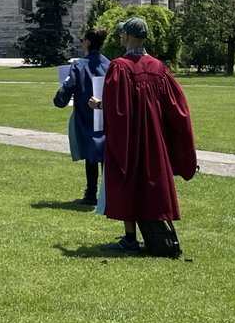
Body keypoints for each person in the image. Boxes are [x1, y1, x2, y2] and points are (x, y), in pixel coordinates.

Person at [89, 18, 197, 252]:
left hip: (130, 137)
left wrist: (98, 105)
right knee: (152, 182)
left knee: (126, 179)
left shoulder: (120, 66)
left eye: (121, 35)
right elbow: (177, 108)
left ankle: (130, 239)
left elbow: (118, 109)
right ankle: (152, 232)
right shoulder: (159, 67)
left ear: (127, 37)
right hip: (154, 139)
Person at [54, 29, 109, 204]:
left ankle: (91, 193)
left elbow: (68, 86)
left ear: (87, 42)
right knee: (106, 154)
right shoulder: (110, 64)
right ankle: (107, 195)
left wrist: (59, 99)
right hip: (107, 113)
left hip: (86, 114)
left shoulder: (79, 65)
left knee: (91, 153)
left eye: (82, 39)